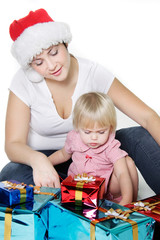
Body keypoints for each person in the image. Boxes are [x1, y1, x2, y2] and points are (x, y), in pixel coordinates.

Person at [0, 8, 160, 194]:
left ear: (65, 43)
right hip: (52, 161)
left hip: (100, 152)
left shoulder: (93, 72)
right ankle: (78, 206)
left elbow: (148, 117)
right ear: (30, 66)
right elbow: (12, 144)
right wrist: (39, 160)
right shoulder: (23, 81)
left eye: (53, 53)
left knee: (141, 136)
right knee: (11, 175)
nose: (51, 66)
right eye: (39, 62)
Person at [48, 92, 138, 205]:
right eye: (87, 132)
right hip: (79, 187)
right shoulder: (74, 138)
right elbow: (62, 154)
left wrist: (126, 199)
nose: (94, 137)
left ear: (110, 128)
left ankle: (131, 201)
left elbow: (122, 173)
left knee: (127, 162)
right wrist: (45, 163)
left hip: (106, 189)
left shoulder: (110, 145)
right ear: (77, 127)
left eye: (101, 132)